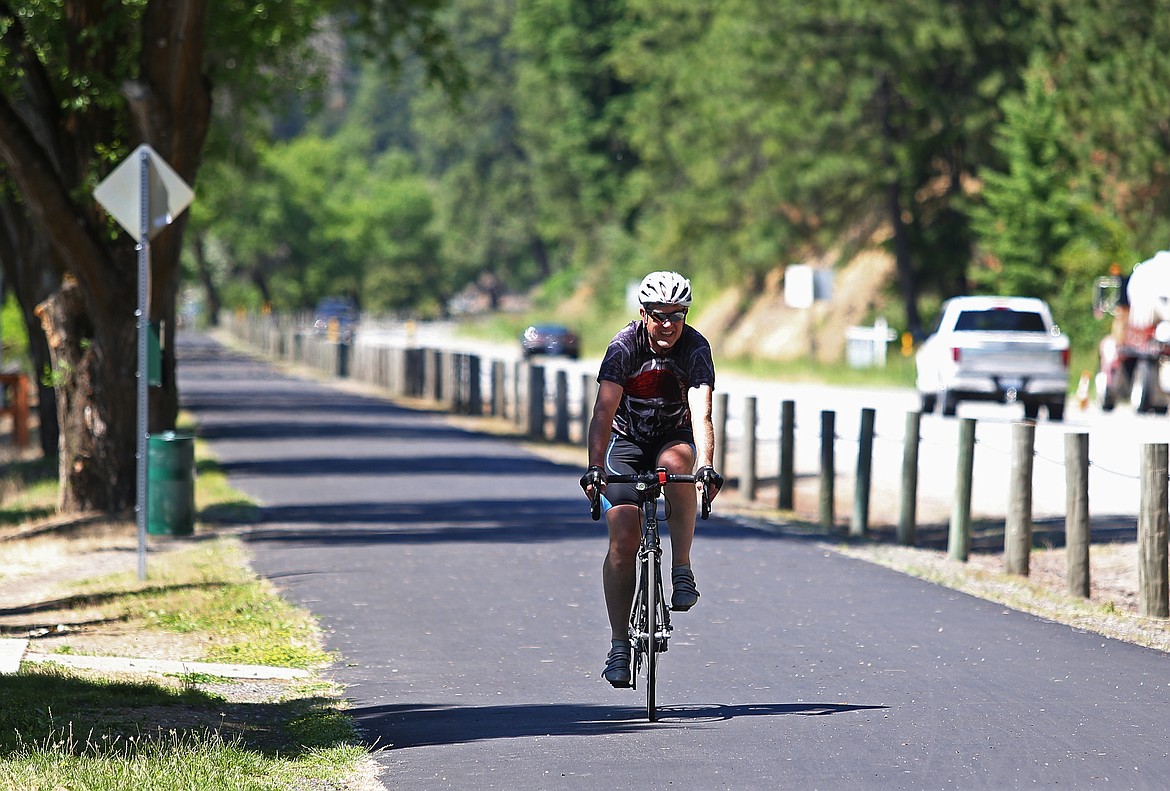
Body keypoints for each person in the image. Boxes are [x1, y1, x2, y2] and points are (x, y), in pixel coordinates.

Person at [579, 270, 724, 688]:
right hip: (627, 441)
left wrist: (707, 465)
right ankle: (619, 643)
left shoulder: (696, 348)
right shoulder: (624, 347)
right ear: (643, 313)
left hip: (672, 436)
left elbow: (702, 413)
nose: (667, 325)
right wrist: (594, 466)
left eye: (676, 316)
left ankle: (681, 568)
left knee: (680, 465)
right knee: (623, 537)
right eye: (659, 316)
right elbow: (603, 412)